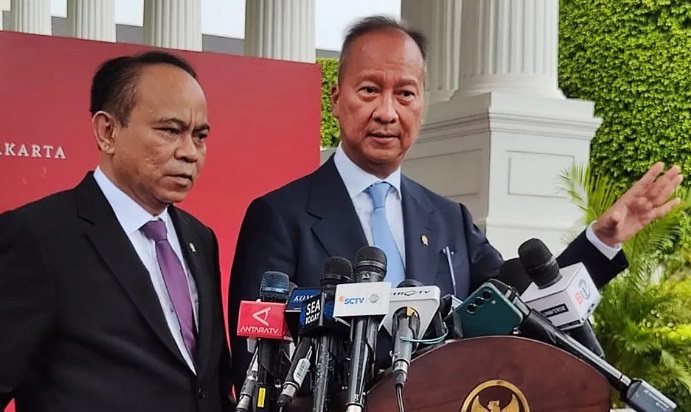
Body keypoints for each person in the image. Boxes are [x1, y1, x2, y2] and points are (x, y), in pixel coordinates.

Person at [227, 16, 683, 391]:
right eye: (369, 90)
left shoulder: (449, 220)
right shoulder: (279, 216)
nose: (387, 112)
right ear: (336, 98)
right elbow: (256, 365)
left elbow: (522, 306)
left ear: (421, 105)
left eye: (405, 94)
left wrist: (600, 242)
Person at [0, 51, 234, 412]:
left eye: (199, 135)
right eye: (170, 131)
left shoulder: (200, 239)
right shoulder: (39, 236)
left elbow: (209, 384)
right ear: (107, 131)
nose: (190, 152)